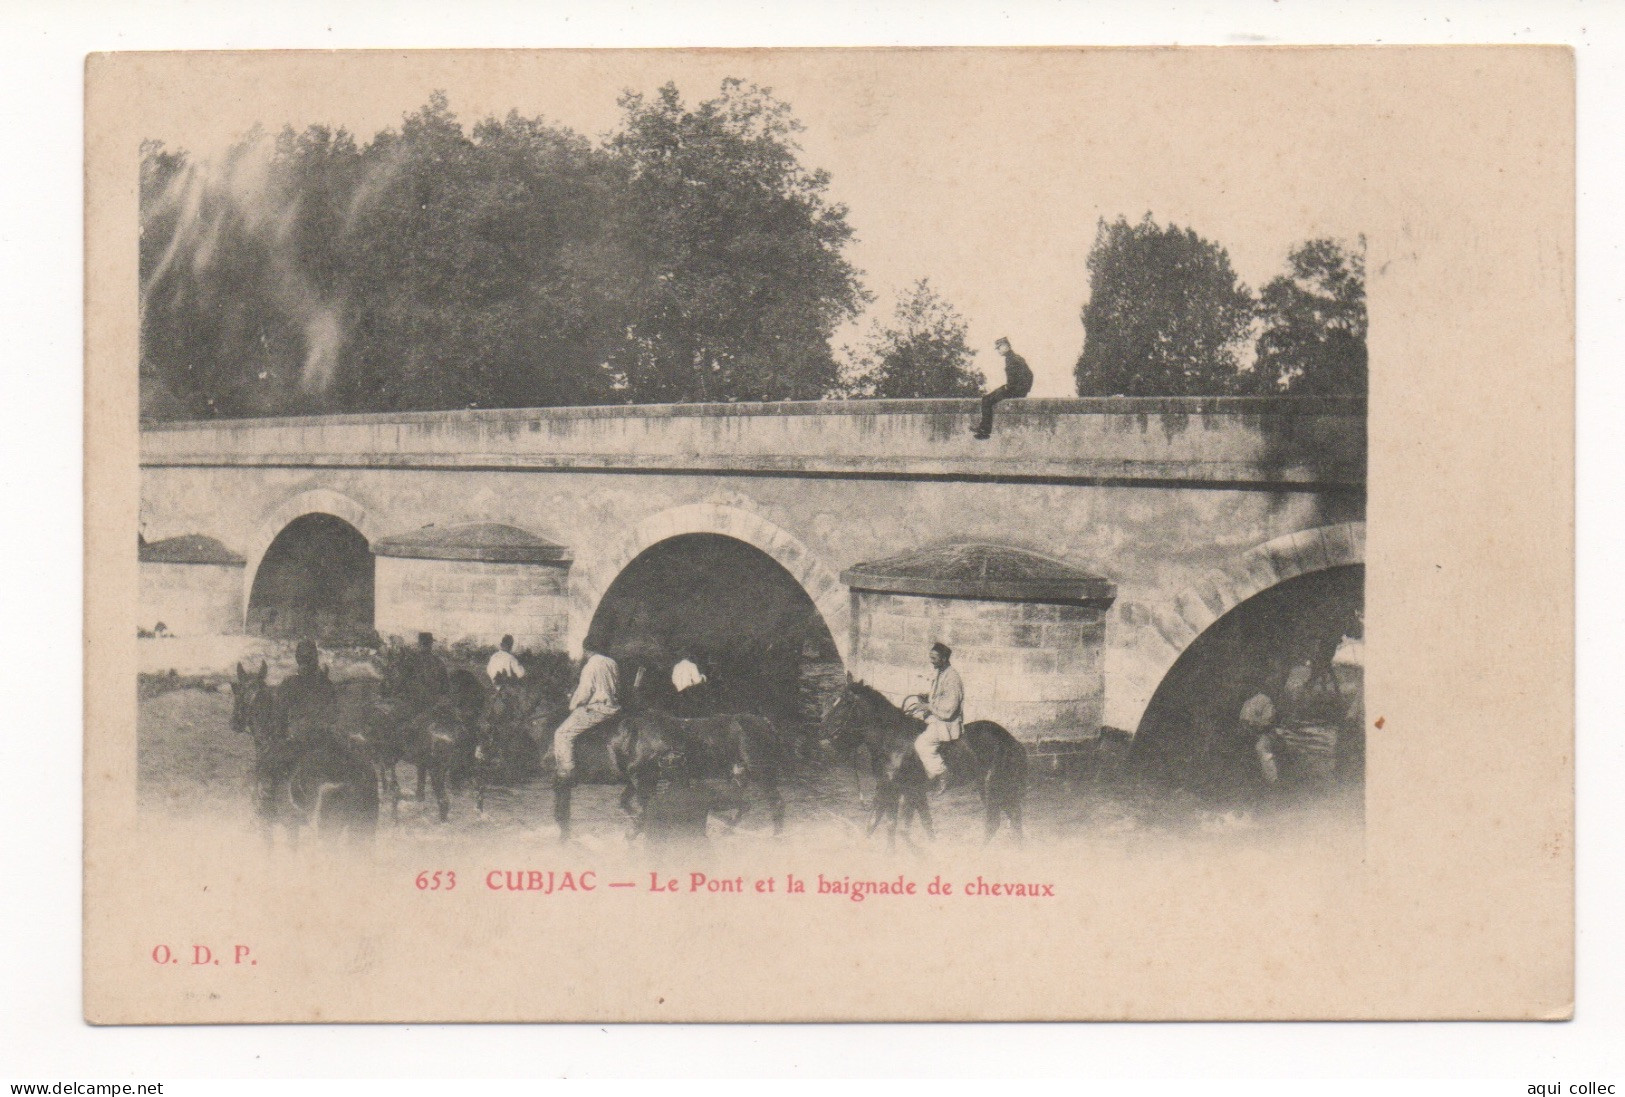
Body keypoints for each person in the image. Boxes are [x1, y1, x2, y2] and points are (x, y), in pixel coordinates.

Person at [549, 640, 622, 784]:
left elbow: (584, 693)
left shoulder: (590, 666)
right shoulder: (612, 663)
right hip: (614, 706)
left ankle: (566, 773)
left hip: (597, 709)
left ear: (586, 650)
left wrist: (573, 704)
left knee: (562, 734)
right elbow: (617, 686)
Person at [903, 641, 965, 796]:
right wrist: (926, 699)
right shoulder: (941, 672)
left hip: (946, 722)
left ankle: (942, 774)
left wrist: (928, 706)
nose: (931, 661)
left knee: (922, 744)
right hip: (936, 717)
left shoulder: (952, 678)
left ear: (944, 658)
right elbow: (939, 696)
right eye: (930, 657)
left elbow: (949, 708)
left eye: (934, 658)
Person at [971, 337, 1033, 440]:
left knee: (986, 400)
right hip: (1016, 389)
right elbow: (1030, 375)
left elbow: (1023, 376)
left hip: (1013, 390)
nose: (998, 350)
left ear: (1006, 346)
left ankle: (984, 431)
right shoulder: (1015, 357)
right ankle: (983, 429)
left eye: (999, 347)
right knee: (988, 398)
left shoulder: (1011, 359)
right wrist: (1025, 389)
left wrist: (1013, 387)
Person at [400, 631, 450, 711]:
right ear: (431, 644)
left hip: (414, 704)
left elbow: (403, 682)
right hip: (434, 704)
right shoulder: (438, 662)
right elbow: (445, 686)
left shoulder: (411, 661)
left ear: (419, 644)